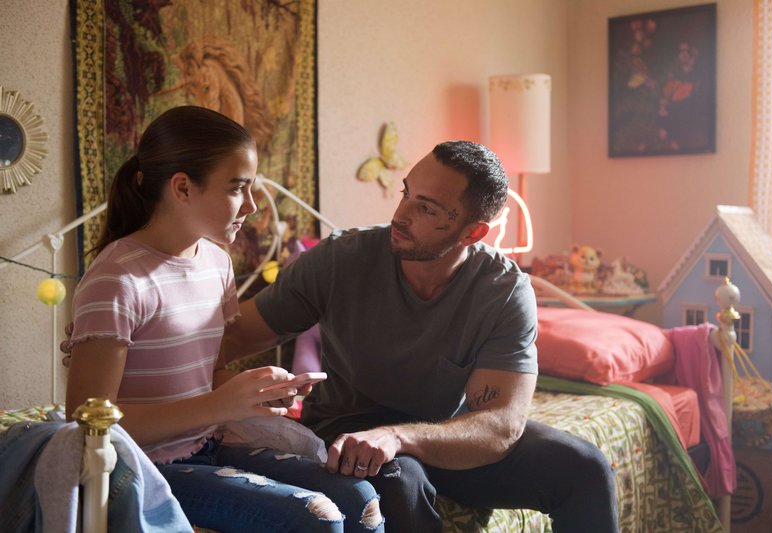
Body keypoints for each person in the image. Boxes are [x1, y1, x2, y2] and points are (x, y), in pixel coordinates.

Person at [222, 140, 619, 532]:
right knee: (401, 484)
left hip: (450, 436)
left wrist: (399, 436)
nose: (400, 215)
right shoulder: (340, 260)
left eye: (426, 208)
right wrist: (211, 398)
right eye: (406, 194)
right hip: (350, 433)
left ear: (473, 232)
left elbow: (500, 426)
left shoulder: (503, 291)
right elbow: (234, 337)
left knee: (585, 467)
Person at [64, 105, 383, 533]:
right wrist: (218, 405)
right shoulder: (118, 280)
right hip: (142, 467)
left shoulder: (216, 262)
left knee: (361, 498)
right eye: (238, 188)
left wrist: (260, 393)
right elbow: (86, 425)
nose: (252, 205)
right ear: (182, 187)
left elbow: (207, 376)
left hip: (209, 444)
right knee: (317, 516)